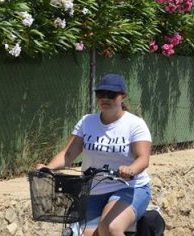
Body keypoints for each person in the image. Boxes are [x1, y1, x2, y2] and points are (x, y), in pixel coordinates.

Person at [38, 74, 152, 236]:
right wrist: (47, 168)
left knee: (111, 228)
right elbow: (68, 154)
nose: (105, 99)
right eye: (100, 94)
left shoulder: (135, 124)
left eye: (111, 95)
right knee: (87, 233)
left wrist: (130, 170)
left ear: (123, 96)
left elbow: (143, 158)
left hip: (129, 187)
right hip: (94, 190)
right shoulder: (87, 122)